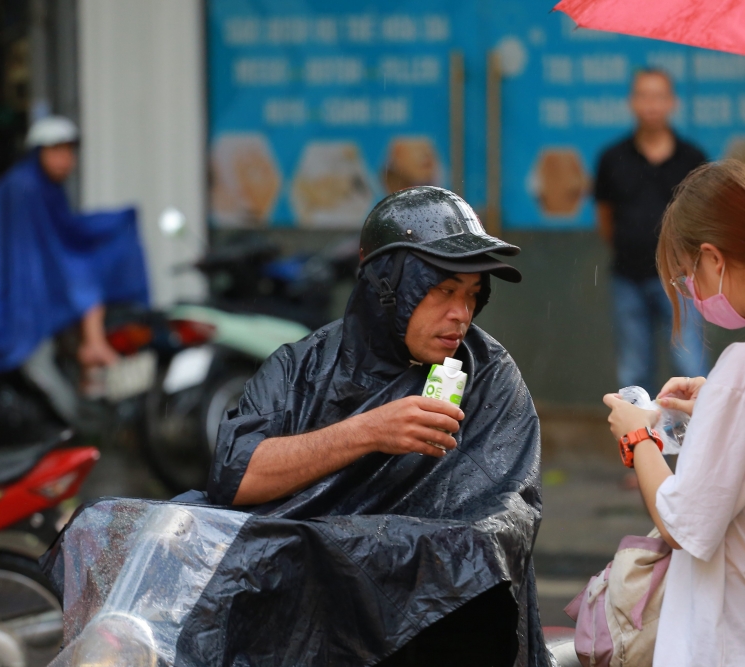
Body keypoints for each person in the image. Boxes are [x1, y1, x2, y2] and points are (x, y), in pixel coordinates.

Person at [197, 186, 549, 666]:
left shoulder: (487, 376)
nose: (460, 315)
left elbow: (497, 530)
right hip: (300, 631)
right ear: (388, 287)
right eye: (443, 291)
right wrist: (367, 431)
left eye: (471, 295)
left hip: (438, 638)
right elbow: (236, 479)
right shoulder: (300, 368)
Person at [602, 160, 745, 666]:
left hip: (732, 642)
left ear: (713, 258)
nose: (691, 291)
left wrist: (638, 437)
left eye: (686, 276)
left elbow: (683, 525)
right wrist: (718, 405)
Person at [0, 116, 148, 441]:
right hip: (0, 289)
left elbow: (61, 238)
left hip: (26, 283)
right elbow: (24, 257)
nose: (65, 158)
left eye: (69, 150)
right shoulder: (24, 187)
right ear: (37, 153)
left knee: (85, 274)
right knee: (77, 284)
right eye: (56, 150)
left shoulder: (45, 188)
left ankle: (91, 352)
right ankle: (77, 422)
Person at [595, 68, 708, 395]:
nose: (651, 104)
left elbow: (703, 220)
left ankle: (699, 443)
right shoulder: (612, 158)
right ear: (632, 102)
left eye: (659, 96)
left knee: (690, 367)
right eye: (643, 95)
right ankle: (637, 443)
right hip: (628, 278)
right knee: (633, 372)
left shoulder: (693, 158)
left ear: (672, 102)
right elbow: (605, 218)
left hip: (682, 282)